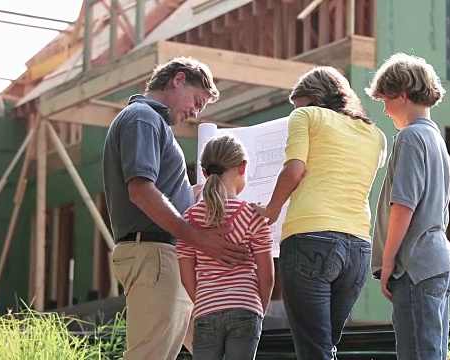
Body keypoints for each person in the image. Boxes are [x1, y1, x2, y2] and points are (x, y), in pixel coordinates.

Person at [102, 57, 248, 360]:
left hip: (169, 256)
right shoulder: (143, 118)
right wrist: (197, 236)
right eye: (196, 101)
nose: (195, 112)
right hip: (157, 253)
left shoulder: (151, 123)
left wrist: (196, 194)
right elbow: (141, 190)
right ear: (178, 79)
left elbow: (156, 189)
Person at [255, 66, 387, 360]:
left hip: (310, 240)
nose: (296, 112)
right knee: (325, 347)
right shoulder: (376, 135)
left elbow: (295, 169)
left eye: (299, 105)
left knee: (313, 349)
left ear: (314, 100)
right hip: (357, 249)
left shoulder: (306, 116)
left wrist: (272, 209)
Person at [365, 53, 450, 360]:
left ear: (403, 93)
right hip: (437, 261)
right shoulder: (436, 139)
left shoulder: (409, 137)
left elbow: (403, 206)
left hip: (414, 265)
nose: (384, 109)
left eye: (385, 99)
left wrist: (389, 260)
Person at [177, 134, 275, 360]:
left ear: (204, 173)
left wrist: (204, 300)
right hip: (246, 307)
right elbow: (267, 274)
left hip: (206, 310)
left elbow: (186, 276)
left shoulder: (190, 218)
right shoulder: (253, 215)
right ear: (243, 167)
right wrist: (258, 308)